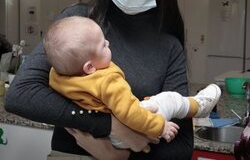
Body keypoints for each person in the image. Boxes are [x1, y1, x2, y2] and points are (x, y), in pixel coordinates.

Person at [5, 0, 198, 159]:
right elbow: (21, 95)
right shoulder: (77, 22)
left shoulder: (169, 47)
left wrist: (118, 156)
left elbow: (181, 147)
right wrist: (109, 125)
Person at [44, 16, 221, 149]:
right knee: (170, 100)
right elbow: (130, 114)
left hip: (98, 134)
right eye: (102, 45)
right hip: (125, 132)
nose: (108, 42)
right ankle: (199, 106)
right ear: (89, 67)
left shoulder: (57, 75)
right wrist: (160, 127)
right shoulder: (108, 82)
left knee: (152, 102)